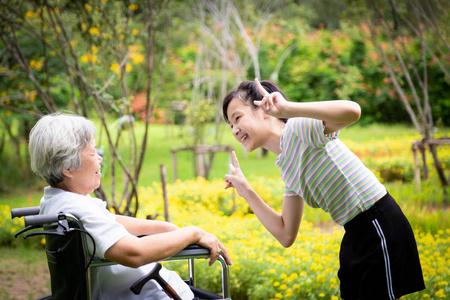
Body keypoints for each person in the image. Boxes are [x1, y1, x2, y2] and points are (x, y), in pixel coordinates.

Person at [222, 79, 424, 300]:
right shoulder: (286, 164)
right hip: (355, 234)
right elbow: (285, 233)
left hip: (378, 224)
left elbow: (352, 111)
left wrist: (288, 109)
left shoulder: (298, 129)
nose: (234, 130)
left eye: (237, 118)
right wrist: (246, 190)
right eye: (230, 125)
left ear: (263, 108)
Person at [29, 113, 232, 300]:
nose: (99, 159)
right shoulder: (79, 210)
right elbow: (135, 253)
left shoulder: (58, 201)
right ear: (68, 168)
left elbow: (110, 220)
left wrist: (167, 228)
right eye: (92, 153)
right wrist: (193, 233)